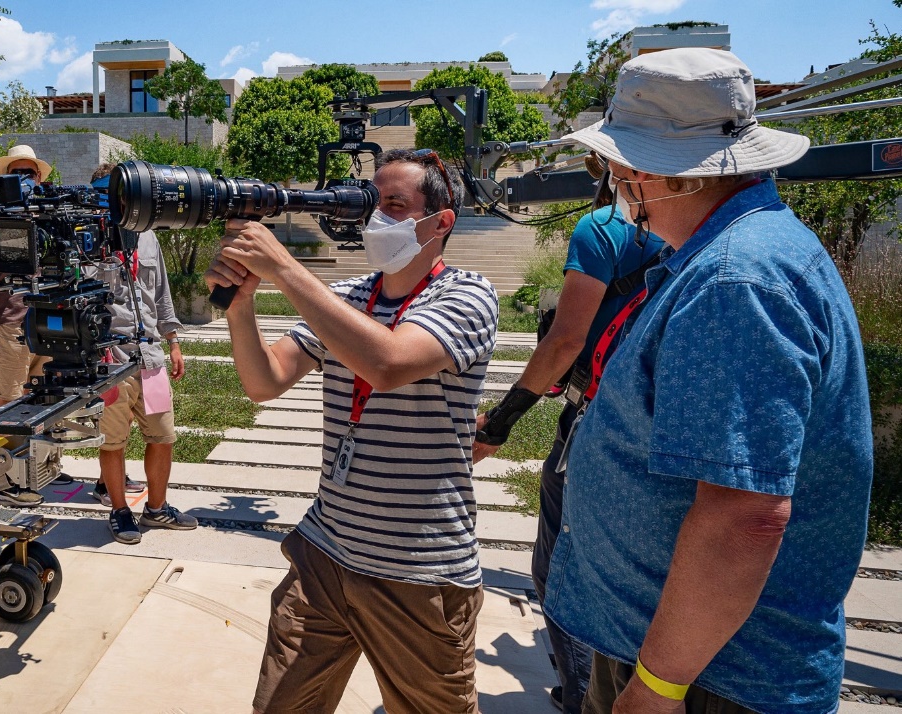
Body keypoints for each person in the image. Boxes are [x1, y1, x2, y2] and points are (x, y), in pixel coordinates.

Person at [542, 48, 873, 714]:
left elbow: (742, 517)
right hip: (689, 663)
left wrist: (656, 687)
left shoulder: (733, 281)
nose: (611, 181)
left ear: (645, 171)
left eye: (610, 163)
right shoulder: (731, 256)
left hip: (706, 682)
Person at [207, 149, 499, 713]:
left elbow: (387, 364)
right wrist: (241, 307)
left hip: (418, 570)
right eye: (375, 203)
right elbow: (265, 381)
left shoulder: (466, 295)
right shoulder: (348, 298)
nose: (378, 220)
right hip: (326, 552)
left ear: (440, 222)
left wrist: (287, 269)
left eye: (395, 205)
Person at [472, 192, 664, 712]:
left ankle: (583, 697)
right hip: (660, 427)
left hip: (598, 422)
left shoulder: (603, 227)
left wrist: (499, 422)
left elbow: (564, 342)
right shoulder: (702, 233)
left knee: (560, 569)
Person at [85, 163, 191, 545]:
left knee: (162, 435)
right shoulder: (87, 238)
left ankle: (157, 508)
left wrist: (174, 340)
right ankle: (119, 511)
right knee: (112, 442)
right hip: (109, 357)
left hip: (150, 357)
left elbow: (160, 295)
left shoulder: (148, 237)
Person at [0, 145, 72, 506]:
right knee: (9, 397)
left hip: (46, 317)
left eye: (30, 174)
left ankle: (45, 464)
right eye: (17, 173)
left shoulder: (47, 214)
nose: (25, 180)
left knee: (47, 396)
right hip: (10, 319)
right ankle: (2, 473)